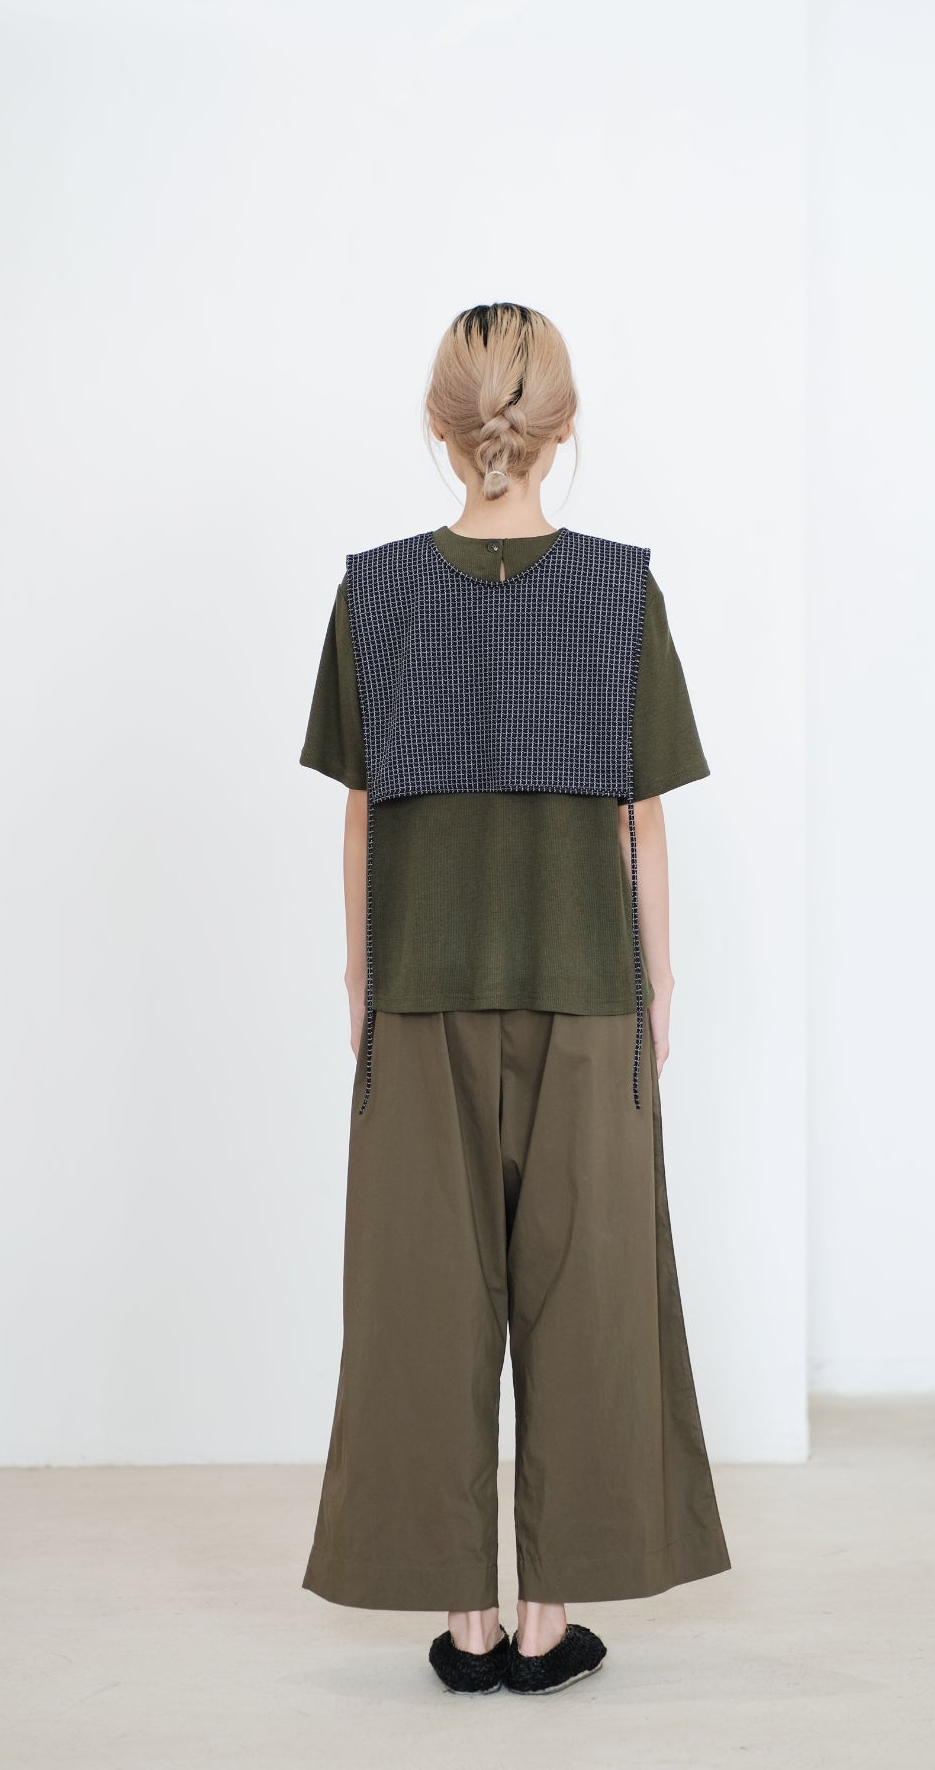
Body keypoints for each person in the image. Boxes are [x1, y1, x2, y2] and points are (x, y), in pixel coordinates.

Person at [298, 302, 730, 1696]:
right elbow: (641, 818)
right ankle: (548, 1621)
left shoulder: (375, 591)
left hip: (420, 993)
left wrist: (361, 981)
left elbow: (362, 814)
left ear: (440, 427)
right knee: (588, 1301)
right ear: (564, 428)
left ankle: (465, 1626)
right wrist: (660, 987)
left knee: (420, 1305)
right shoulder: (619, 591)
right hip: (587, 991)